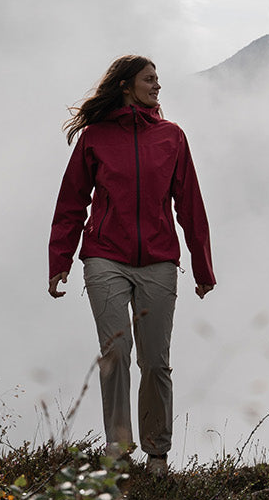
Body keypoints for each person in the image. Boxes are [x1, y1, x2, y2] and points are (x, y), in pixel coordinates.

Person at [49, 55, 216, 473]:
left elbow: (191, 205)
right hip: (104, 257)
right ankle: (119, 450)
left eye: (158, 79)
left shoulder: (172, 138)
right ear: (126, 85)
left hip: (159, 261)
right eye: (149, 79)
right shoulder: (95, 138)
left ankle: (157, 453)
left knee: (155, 361)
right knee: (115, 351)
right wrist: (60, 259)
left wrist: (202, 267)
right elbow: (71, 202)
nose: (157, 86)